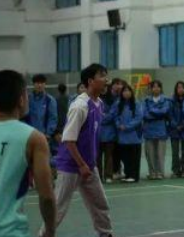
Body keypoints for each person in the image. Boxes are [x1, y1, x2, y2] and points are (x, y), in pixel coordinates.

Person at [0, 70, 56, 237]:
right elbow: (46, 197)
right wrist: (50, 230)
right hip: (8, 232)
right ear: (21, 99)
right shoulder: (33, 138)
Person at [41, 64, 114, 237]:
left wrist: (88, 164)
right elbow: (69, 140)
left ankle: (105, 234)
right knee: (58, 208)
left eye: (106, 76)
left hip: (89, 166)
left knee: (100, 204)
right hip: (71, 166)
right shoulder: (80, 106)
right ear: (90, 81)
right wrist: (81, 165)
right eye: (102, 76)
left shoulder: (99, 104)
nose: (106, 80)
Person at [116, 84, 143, 183]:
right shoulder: (119, 104)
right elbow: (115, 117)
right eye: (124, 91)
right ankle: (127, 174)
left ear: (131, 92)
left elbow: (138, 118)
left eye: (128, 90)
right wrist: (118, 125)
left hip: (134, 136)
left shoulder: (137, 104)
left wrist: (127, 126)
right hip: (122, 136)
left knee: (134, 157)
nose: (126, 93)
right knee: (125, 157)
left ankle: (134, 176)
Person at [143, 80, 170, 180]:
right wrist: (158, 114)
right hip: (149, 130)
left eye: (158, 86)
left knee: (160, 154)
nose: (156, 88)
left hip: (161, 130)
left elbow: (164, 111)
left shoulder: (165, 100)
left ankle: (160, 172)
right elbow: (145, 114)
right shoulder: (146, 101)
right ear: (150, 89)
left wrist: (152, 111)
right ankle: (152, 173)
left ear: (161, 88)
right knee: (150, 154)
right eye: (153, 87)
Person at [98, 78, 124, 183]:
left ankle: (108, 175)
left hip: (110, 133)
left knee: (109, 156)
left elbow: (112, 115)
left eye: (105, 86)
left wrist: (101, 117)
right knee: (97, 157)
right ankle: (98, 176)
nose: (103, 88)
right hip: (97, 133)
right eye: (102, 86)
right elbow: (93, 114)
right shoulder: (95, 98)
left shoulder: (113, 100)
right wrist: (102, 116)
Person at [28, 75, 59, 147]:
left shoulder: (50, 100)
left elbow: (53, 118)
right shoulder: (28, 99)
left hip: (44, 137)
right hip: (29, 135)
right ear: (33, 84)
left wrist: (48, 134)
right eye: (37, 83)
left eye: (42, 83)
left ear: (45, 84)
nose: (39, 85)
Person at [169, 81, 184, 178]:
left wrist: (183, 125)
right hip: (174, 130)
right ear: (176, 89)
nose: (180, 89)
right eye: (178, 88)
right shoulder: (171, 101)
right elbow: (170, 115)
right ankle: (175, 170)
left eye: (182, 87)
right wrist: (175, 125)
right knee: (175, 152)